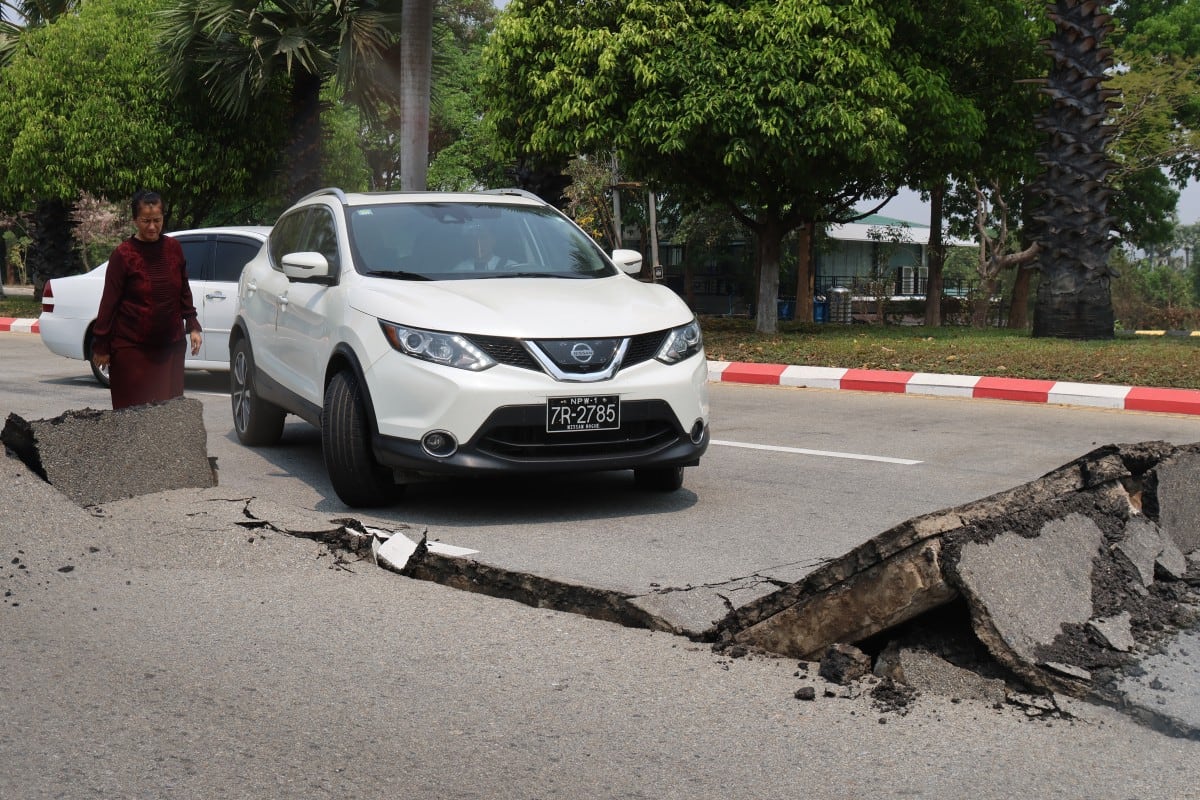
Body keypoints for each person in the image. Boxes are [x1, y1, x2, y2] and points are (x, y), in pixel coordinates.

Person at [91, 190, 202, 410]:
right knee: (133, 419)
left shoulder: (173, 249)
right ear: (135, 220)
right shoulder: (123, 255)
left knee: (166, 417)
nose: (152, 227)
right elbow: (109, 303)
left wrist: (192, 325)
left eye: (157, 221)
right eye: (146, 221)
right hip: (132, 350)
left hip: (170, 347)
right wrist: (101, 346)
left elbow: (183, 290)